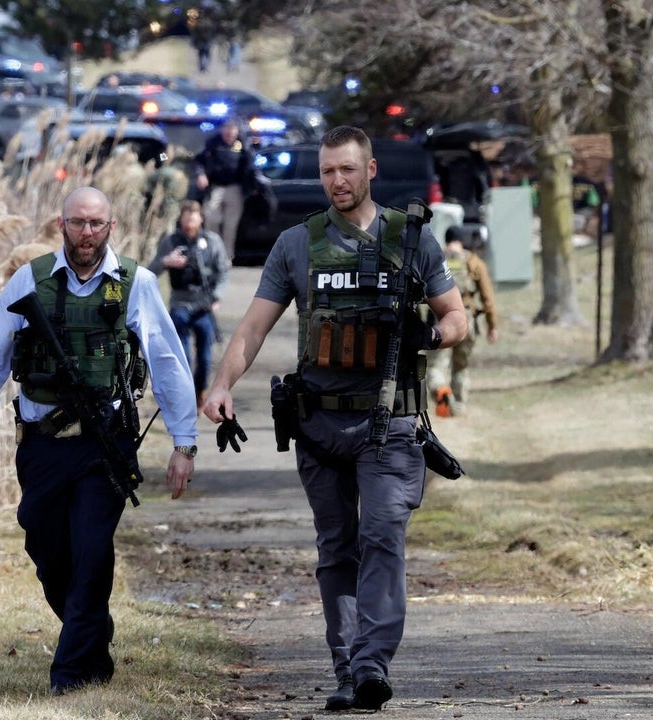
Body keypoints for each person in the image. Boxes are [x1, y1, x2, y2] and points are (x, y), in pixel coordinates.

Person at [201, 126, 468, 711]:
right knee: (337, 547)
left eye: (347, 169)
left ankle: (371, 664)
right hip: (320, 424)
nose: (336, 181)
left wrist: (427, 335)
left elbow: (457, 318)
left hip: (391, 422)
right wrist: (221, 385)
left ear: (370, 170)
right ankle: (347, 668)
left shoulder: (411, 238)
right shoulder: (296, 244)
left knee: (383, 535)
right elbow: (252, 328)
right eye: (327, 171)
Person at [0, 186, 199, 697]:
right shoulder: (30, 280)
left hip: (103, 446)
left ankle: (69, 675)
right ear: (61, 225)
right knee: (45, 548)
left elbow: (168, 363)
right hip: (42, 445)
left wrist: (184, 443)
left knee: (91, 552)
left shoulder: (135, 283)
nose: (86, 233)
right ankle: (92, 632)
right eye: (77, 223)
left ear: (111, 227)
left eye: (96, 223)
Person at [148, 200, 231, 410]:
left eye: (194, 218)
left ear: (201, 219)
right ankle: (185, 396)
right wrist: (167, 261)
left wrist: (216, 297)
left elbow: (223, 272)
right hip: (180, 303)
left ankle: (200, 391)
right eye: (186, 218)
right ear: (181, 219)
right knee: (183, 355)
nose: (190, 223)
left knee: (205, 358)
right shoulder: (170, 242)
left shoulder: (212, 241)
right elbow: (151, 271)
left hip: (204, 305)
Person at [429, 224, 498, 417]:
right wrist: (492, 326)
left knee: (436, 366)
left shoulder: (436, 259)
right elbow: (488, 299)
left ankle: (440, 389)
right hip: (466, 319)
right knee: (461, 366)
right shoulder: (473, 262)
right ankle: (458, 406)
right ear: (462, 241)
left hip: (440, 319)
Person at [192, 119, 253, 260]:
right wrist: (201, 175)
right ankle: (213, 255)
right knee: (211, 220)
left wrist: (254, 186)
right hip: (215, 188)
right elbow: (198, 161)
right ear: (221, 129)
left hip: (235, 188)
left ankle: (226, 258)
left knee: (230, 226)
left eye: (232, 129)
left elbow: (251, 167)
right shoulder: (212, 144)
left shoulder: (243, 145)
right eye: (227, 128)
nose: (229, 132)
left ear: (237, 131)